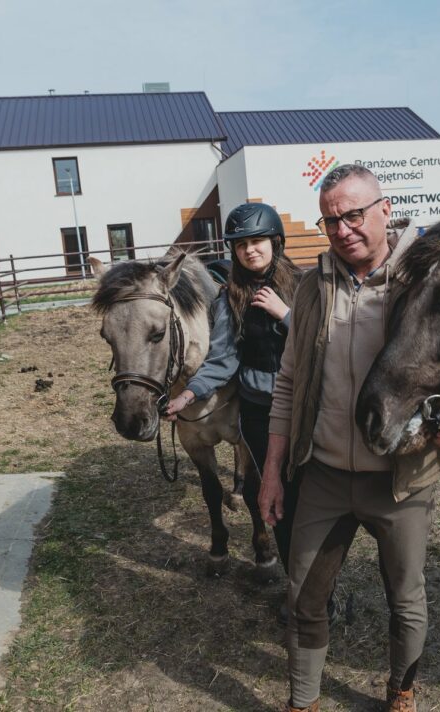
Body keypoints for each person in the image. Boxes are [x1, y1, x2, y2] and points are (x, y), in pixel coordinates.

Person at [258, 164, 440, 712]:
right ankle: (302, 701)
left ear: (384, 210)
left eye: (353, 214)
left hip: (400, 478)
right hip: (324, 475)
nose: (343, 229)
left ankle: (401, 690)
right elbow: (287, 383)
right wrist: (273, 471)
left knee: (405, 597)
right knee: (305, 596)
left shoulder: (425, 282)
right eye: (331, 220)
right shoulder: (309, 289)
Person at [164, 202, 302, 576]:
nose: (249, 250)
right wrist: (188, 395)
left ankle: (317, 584)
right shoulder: (229, 298)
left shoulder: (307, 288)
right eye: (241, 244)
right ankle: (294, 579)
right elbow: (222, 358)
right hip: (259, 411)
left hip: (306, 407)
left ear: (276, 242)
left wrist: (285, 315)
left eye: (257, 241)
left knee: (308, 497)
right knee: (273, 495)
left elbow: (326, 345)